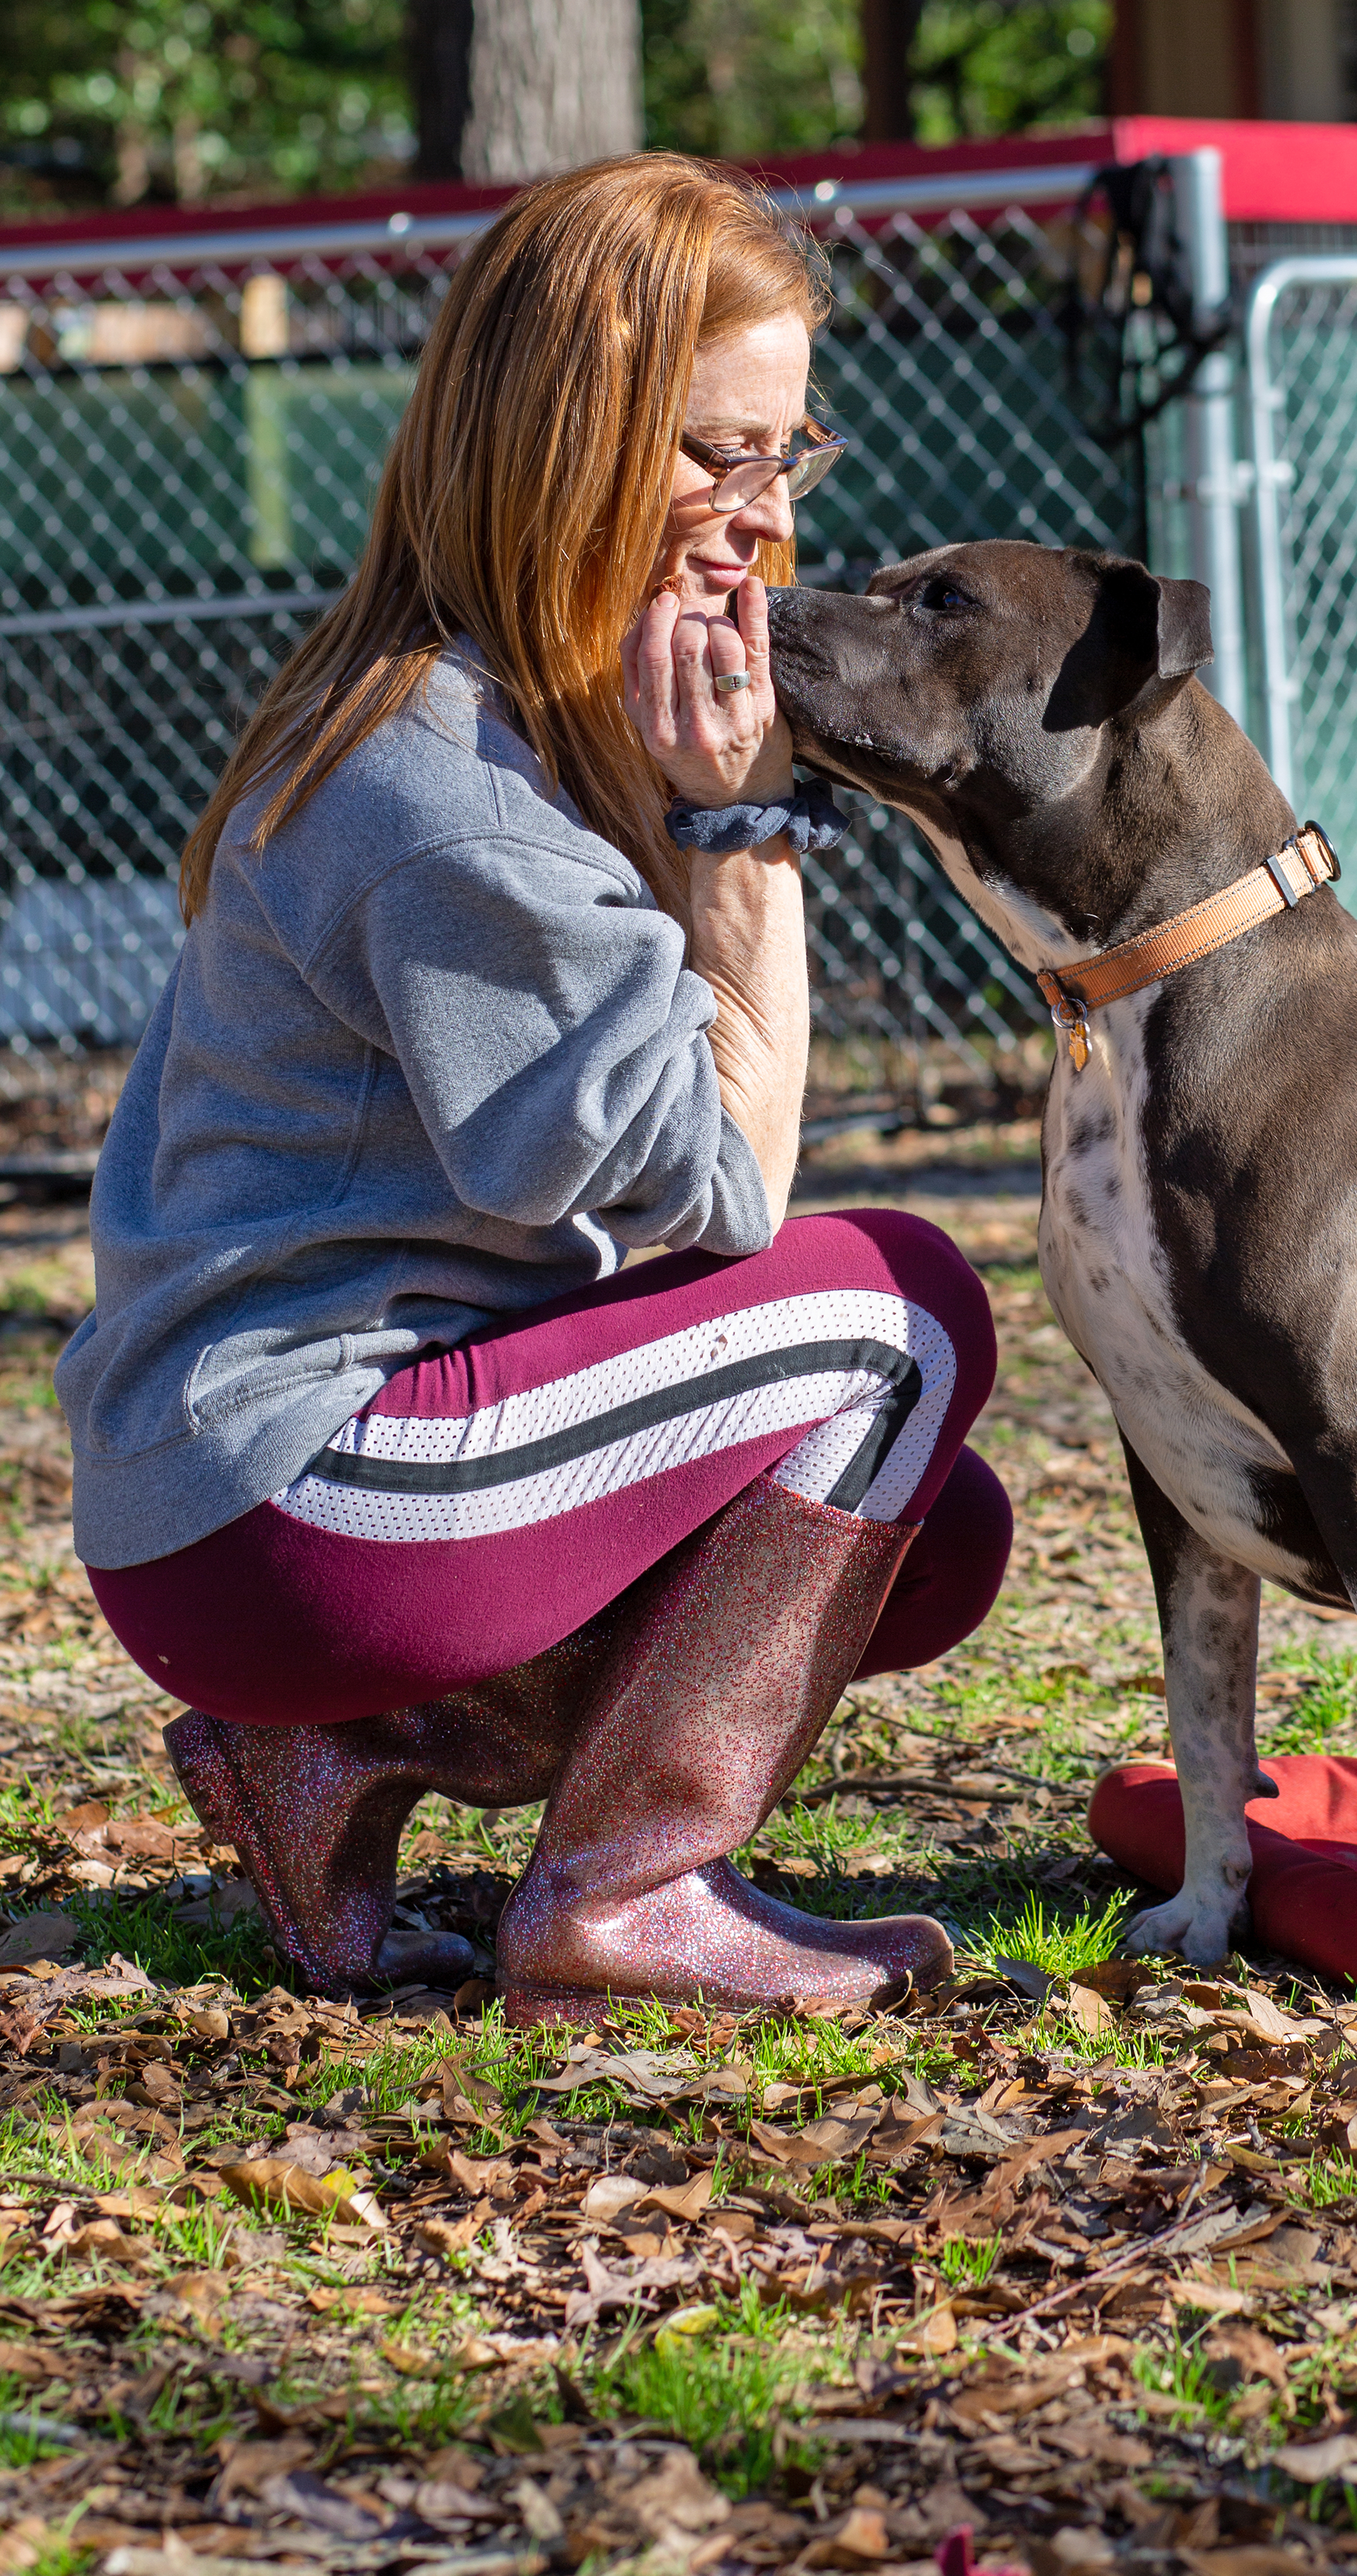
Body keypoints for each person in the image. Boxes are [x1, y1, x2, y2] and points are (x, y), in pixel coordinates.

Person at [55, 153, 1011, 2028]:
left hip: (263, 1506)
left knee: (927, 1527)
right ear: (562, 438)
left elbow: (671, 1211)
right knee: (897, 1312)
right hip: (293, 1494)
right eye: (706, 456)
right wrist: (743, 839)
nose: (755, 518)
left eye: (782, 455)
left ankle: (326, 1760)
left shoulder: (518, 720)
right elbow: (730, 1193)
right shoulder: (454, 790)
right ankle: (622, 1894)